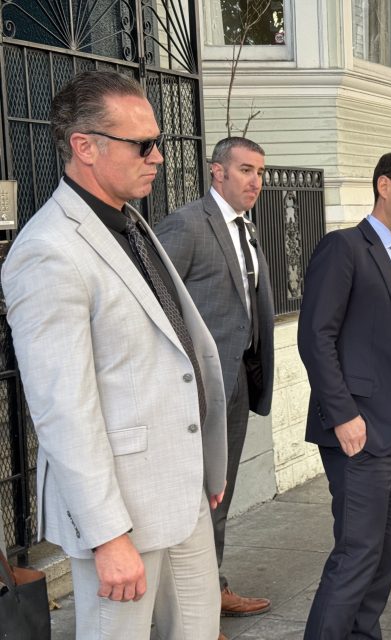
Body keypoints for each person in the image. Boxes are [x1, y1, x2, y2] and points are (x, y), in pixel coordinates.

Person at [1, 70, 227, 639]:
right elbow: (62, 412)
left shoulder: (130, 223)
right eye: (143, 144)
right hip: (121, 514)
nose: (158, 157)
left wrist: (208, 461)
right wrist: (107, 535)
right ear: (85, 146)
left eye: (160, 142)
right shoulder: (48, 251)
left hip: (183, 492)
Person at [297, 150, 391, 638]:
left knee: (384, 557)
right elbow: (316, 336)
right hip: (358, 431)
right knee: (357, 553)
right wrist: (343, 415)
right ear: (385, 186)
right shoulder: (345, 247)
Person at [156, 137, 275, 624]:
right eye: (246, 170)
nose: (256, 181)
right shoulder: (187, 224)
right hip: (196, 390)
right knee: (193, 497)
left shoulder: (245, 228)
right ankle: (189, 612)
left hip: (236, 382)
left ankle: (213, 591)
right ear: (217, 172)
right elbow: (155, 300)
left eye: (261, 172)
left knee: (219, 492)